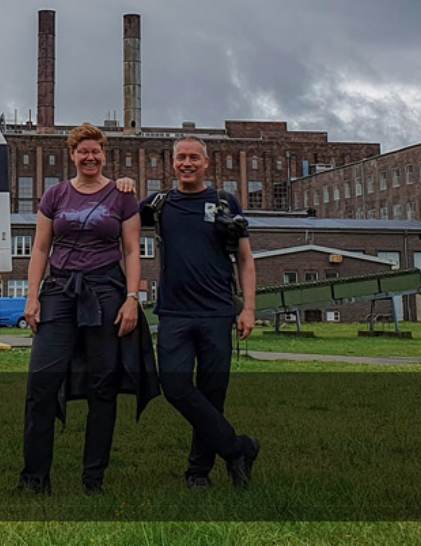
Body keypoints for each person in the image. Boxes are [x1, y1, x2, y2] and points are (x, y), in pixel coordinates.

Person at [19, 123, 144, 494]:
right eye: (82, 151)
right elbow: (40, 248)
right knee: (41, 385)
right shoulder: (54, 195)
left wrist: (132, 298)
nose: (90, 157)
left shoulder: (122, 196)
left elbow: (133, 250)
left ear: (104, 154)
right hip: (59, 292)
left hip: (105, 294)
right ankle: (34, 479)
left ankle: (93, 479)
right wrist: (32, 296)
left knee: (102, 387)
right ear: (71, 155)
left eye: (96, 151)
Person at [145, 135, 260, 490]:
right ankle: (238, 448)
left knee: (212, 394)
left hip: (216, 313)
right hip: (174, 314)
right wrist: (122, 185)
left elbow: (245, 259)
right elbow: (120, 219)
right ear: (173, 162)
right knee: (176, 387)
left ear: (206, 163)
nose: (187, 163)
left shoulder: (225, 202)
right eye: (181, 158)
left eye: (194, 157)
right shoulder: (159, 204)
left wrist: (249, 310)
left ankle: (198, 473)